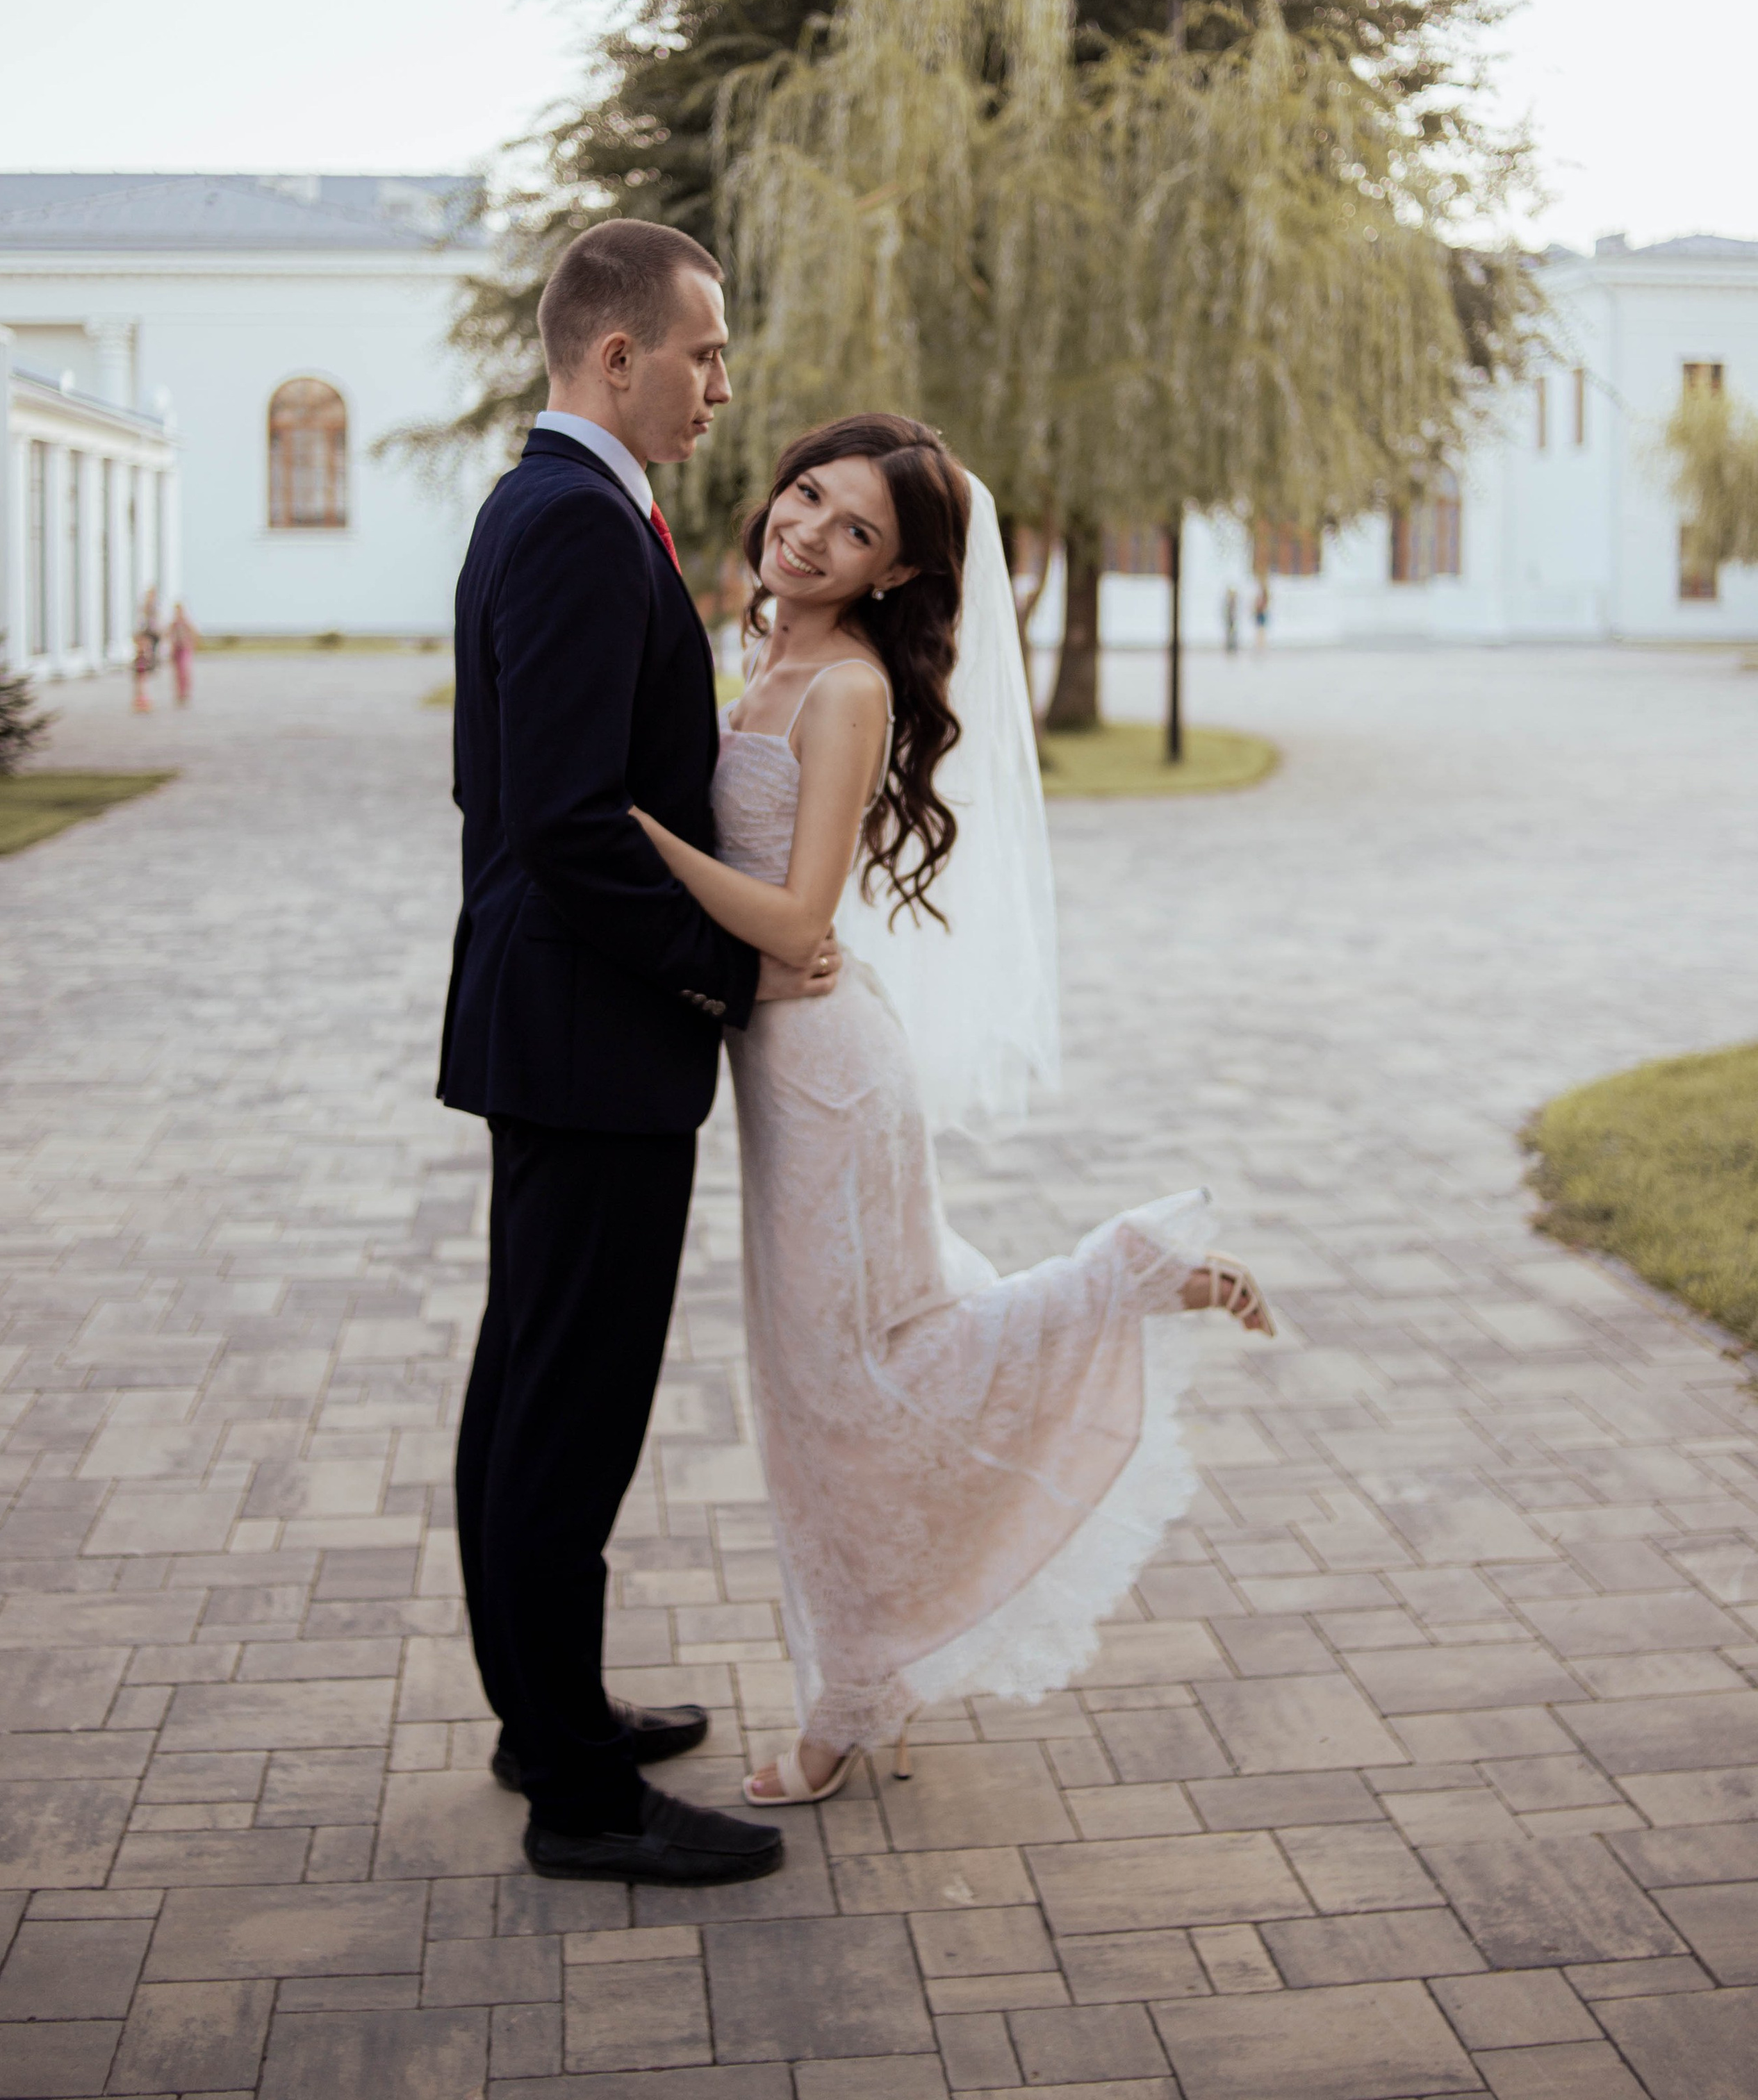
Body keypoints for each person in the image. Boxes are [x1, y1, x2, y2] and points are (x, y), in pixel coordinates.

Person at [632, 415, 1274, 1809]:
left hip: (825, 1079)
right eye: (806, 494)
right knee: (835, 1383)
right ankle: (871, 1683)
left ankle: (842, 1704)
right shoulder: (768, 645)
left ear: (889, 574)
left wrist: (629, 824)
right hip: (789, 1063)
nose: (807, 529)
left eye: (853, 530)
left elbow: (797, 918)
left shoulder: (845, 684)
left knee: (843, 1392)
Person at [439, 219, 838, 1890]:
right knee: (567, 1407)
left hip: (558, 1022)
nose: (722, 385)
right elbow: (561, 818)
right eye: (705, 351)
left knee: (529, 1379)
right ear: (617, 355)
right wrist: (720, 974)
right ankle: (582, 1802)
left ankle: (548, 1717)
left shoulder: (566, 506)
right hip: (592, 1027)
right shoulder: (567, 524)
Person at [131, 590, 160, 713]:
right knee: (140, 686)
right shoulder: (144, 611)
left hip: (145, 665)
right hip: (141, 667)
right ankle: (140, 703)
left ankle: (143, 702)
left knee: (143, 685)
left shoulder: (155, 609)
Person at [167, 602, 196, 706]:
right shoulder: (174, 623)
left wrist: (191, 643)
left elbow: (193, 633)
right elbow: (168, 634)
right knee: (177, 672)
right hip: (176, 649)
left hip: (185, 648)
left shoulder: (186, 622)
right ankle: (179, 693)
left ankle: (185, 692)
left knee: (184, 670)